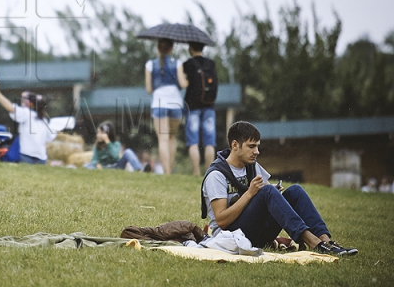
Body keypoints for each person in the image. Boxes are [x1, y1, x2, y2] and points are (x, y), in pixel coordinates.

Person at [200, 121, 358, 255]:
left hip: (256, 233)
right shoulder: (217, 175)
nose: (257, 151)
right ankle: (315, 243)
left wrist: (275, 194)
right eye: (251, 146)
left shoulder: (251, 165)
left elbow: (267, 194)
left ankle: (326, 242)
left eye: (257, 146)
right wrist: (250, 194)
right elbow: (221, 221)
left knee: (295, 191)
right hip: (230, 238)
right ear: (235, 145)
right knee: (268, 191)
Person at [145, 38, 184, 175]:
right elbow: (183, 83)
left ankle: (166, 171)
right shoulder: (177, 63)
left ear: (157, 48)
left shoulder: (150, 65)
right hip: (175, 103)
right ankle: (170, 170)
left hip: (159, 103)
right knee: (172, 138)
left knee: (163, 139)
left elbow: (149, 89)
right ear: (171, 49)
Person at [179, 42, 217, 176]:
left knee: (193, 142)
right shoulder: (211, 64)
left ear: (190, 48)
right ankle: (209, 173)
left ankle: (196, 172)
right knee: (209, 142)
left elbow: (182, 83)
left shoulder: (188, 64)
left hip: (192, 107)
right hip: (209, 106)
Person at [0, 88, 56, 164]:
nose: (22, 102)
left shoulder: (27, 113)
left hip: (26, 157)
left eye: (24, 100)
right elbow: (50, 137)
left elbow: (9, 107)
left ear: (30, 103)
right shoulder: (44, 120)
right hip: (41, 159)